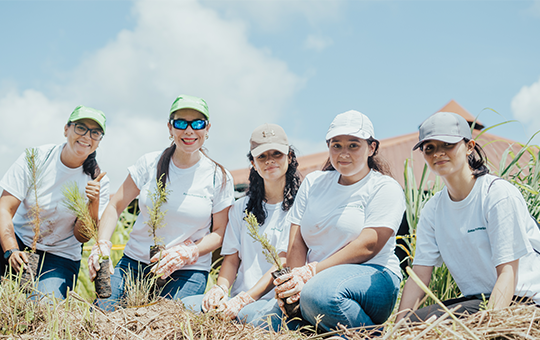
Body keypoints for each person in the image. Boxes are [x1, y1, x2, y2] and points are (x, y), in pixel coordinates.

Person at [91, 94, 234, 310]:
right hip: (136, 264)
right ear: (170, 128)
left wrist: (189, 252)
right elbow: (115, 206)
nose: (189, 131)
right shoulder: (149, 163)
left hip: (187, 271)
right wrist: (102, 244)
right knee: (102, 315)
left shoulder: (218, 176)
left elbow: (220, 232)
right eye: (180, 123)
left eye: (197, 123)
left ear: (207, 128)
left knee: (163, 322)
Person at [396, 112, 540, 323]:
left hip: (525, 300)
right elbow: (420, 275)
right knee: (413, 322)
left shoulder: (496, 194)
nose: (438, 153)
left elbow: (508, 272)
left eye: (448, 144)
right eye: (430, 148)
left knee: (434, 323)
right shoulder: (433, 210)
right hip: (477, 299)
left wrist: (489, 327)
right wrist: (397, 330)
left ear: (469, 146)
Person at [273, 110, 406, 332]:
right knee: (255, 317)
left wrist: (311, 273)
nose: (343, 153)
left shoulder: (384, 187)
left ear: (371, 148)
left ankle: (369, 335)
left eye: (353, 145)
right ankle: (329, 331)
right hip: (315, 280)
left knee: (319, 294)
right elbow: (296, 240)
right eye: (336, 145)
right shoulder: (314, 182)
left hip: (374, 276)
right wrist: (295, 284)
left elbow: (369, 245)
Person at [182, 123, 301, 326]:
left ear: (289, 158)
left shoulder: (300, 204)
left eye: (277, 154)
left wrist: (245, 299)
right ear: (253, 163)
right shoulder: (240, 208)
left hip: (272, 302)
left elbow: (282, 260)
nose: (269, 160)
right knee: (186, 305)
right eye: (261, 156)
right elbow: (231, 259)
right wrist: (220, 290)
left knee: (254, 319)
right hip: (237, 301)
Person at [0, 105, 110, 299]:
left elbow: (82, 237)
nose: (87, 136)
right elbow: (4, 209)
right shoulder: (35, 159)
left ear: (99, 141)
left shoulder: (97, 180)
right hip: (19, 241)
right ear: (66, 129)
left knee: (44, 310)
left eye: (95, 133)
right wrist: (11, 250)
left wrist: (92, 202)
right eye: (81, 128)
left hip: (60, 256)